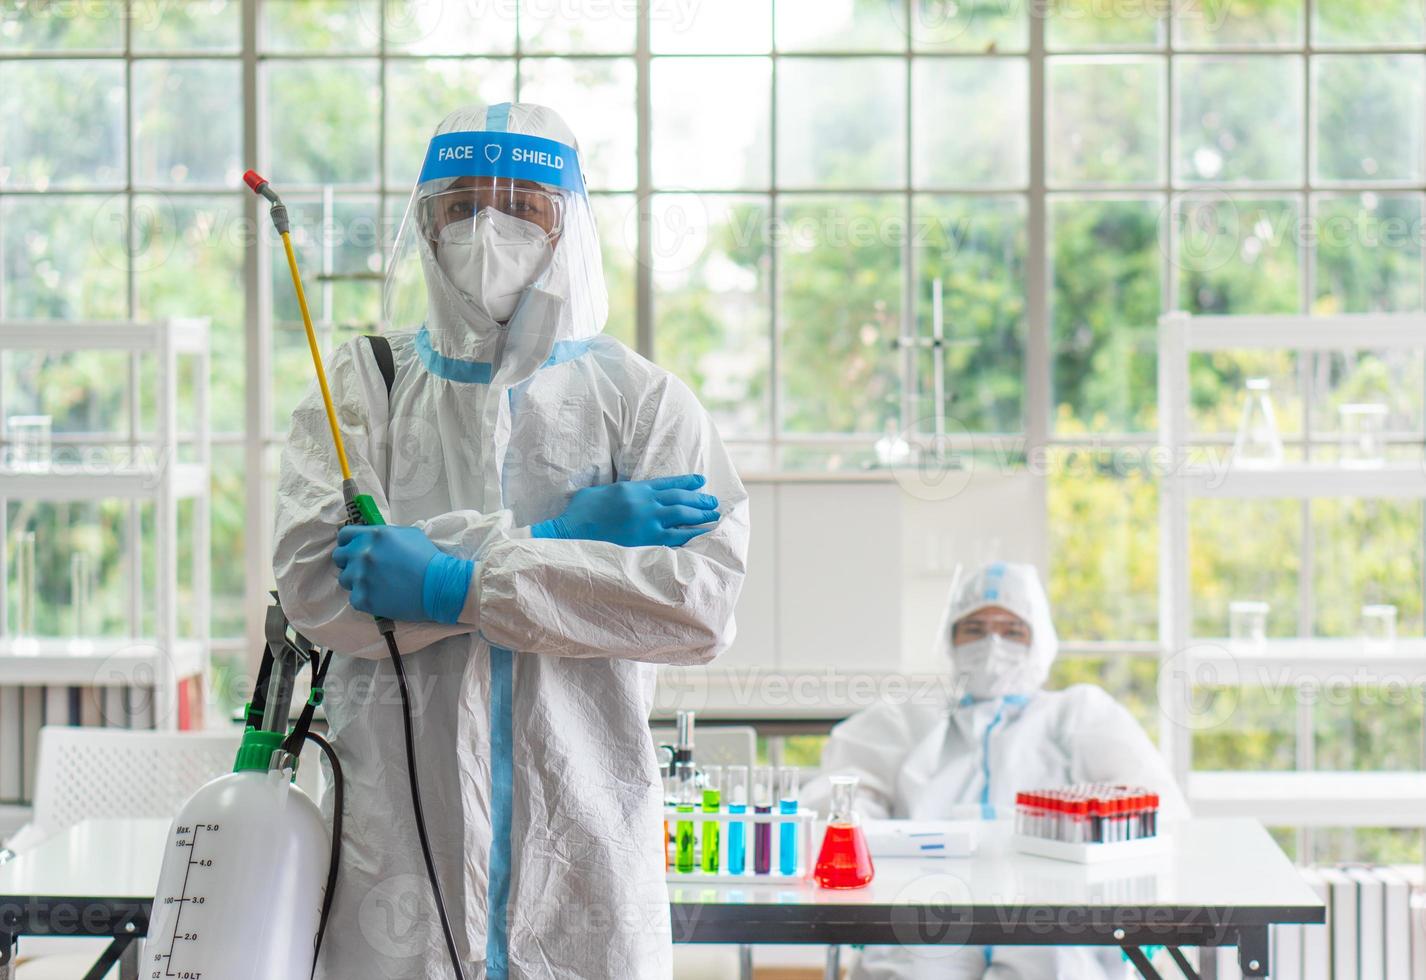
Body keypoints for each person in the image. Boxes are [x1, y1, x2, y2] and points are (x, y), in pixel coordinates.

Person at [273, 102, 749, 980]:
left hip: (583, 854)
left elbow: (697, 607)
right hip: (396, 862)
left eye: (523, 206)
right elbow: (319, 583)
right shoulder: (365, 384)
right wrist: (562, 538)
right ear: (427, 221)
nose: (488, 227)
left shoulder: (643, 403)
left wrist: (459, 584)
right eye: (463, 205)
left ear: (566, 226)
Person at [806, 562, 1185, 980]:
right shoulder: (904, 718)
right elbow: (839, 803)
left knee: (1058, 968)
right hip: (926, 913)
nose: (992, 644)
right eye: (974, 628)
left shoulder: (1080, 714)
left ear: (1039, 641)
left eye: (1012, 630)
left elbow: (1153, 810)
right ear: (949, 639)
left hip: (1055, 918)